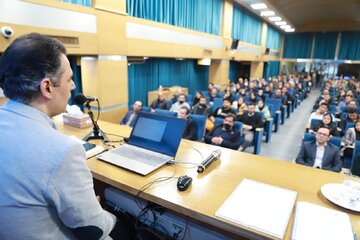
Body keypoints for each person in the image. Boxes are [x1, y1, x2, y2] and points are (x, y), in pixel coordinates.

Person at [0, 33, 118, 239]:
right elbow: (94, 229)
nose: (73, 86)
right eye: (69, 79)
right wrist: (108, 215)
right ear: (47, 87)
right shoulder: (62, 150)